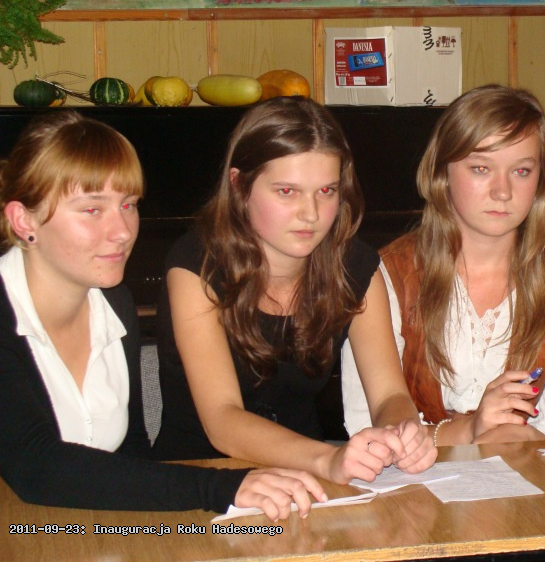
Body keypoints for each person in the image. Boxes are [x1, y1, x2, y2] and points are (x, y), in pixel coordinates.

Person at [0, 110, 326, 518]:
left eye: (128, 204)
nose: (123, 231)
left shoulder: (114, 304)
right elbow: (36, 466)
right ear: (23, 219)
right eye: (92, 210)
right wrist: (223, 487)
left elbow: (132, 452)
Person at [153, 97, 436, 483]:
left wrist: (402, 432)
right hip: (201, 480)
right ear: (239, 185)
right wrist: (327, 460)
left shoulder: (355, 266)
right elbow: (222, 419)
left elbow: (389, 394)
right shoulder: (195, 263)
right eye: (287, 191)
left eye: (326, 191)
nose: (311, 214)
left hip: (308, 477)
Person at [342, 84, 545, 445]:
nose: (503, 192)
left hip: (530, 479)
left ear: (541, 181)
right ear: (442, 173)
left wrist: (493, 436)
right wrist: (471, 431)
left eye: (522, 171)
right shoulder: (387, 279)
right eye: (481, 168)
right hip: (409, 477)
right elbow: (370, 428)